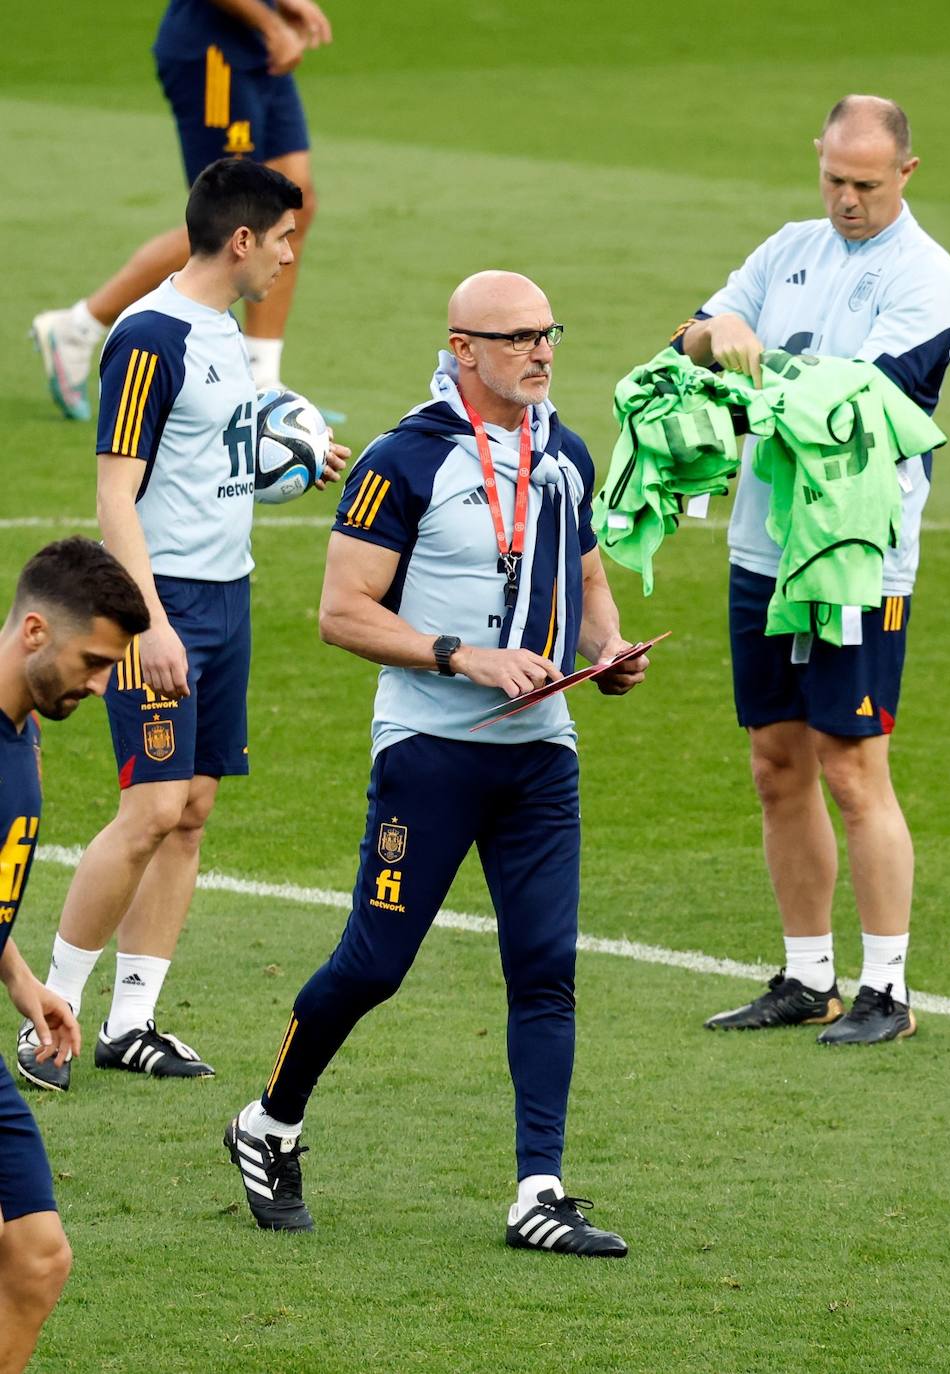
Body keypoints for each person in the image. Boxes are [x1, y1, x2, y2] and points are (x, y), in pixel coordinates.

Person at [225, 270, 649, 1256]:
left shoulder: (564, 454)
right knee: (373, 965)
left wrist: (607, 646)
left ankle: (537, 1191)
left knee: (545, 970)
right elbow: (341, 614)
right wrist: (465, 656)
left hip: (541, 755)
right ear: (463, 348)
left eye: (549, 333)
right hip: (430, 752)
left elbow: (583, 569)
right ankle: (270, 1121)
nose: (542, 352)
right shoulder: (402, 459)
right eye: (517, 338)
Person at [16, 158, 348, 1094]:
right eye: (284, 239)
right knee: (151, 808)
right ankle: (54, 1014)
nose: (290, 255)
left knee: (191, 812)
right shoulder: (149, 336)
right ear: (242, 239)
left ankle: (133, 1020)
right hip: (162, 606)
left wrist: (291, 462)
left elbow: (205, 460)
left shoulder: (222, 332)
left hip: (228, 596)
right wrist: (149, 623)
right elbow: (115, 492)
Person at [675, 96, 950, 1044]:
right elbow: (692, 336)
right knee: (775, 765)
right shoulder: (788, 246)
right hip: (763, 547)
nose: (846, 199)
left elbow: (859, 410)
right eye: (834, 178)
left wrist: (746, 374)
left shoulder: (930, 282)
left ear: (907, 175)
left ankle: (888, 987)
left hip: (854, 563)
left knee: (852, 768)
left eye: (866, 185)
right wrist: (710, 338)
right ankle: (808, 976)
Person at [31, 0, 333, 421]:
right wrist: (271, 23)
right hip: (214, 50)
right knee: (233, 219)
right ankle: (77, 328)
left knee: (293, 203)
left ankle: (261, 379)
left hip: (254, 46)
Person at [0, 537, 149, 1373]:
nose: (99, 686)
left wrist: (23, 981)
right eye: (93, 663)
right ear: (32, 632)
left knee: (38, 1257)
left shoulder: (22, 727)